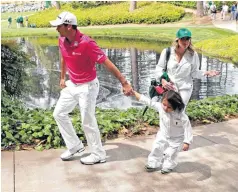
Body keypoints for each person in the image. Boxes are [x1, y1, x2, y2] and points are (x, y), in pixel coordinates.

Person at [50, 12, 133, 165]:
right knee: (59, 113)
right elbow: (63, 57)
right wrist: (62, 77)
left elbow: (107, 63)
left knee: (87, 121)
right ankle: (75, 146)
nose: (56, 29)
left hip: (87, 87)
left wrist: (124, 82)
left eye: (59, 26)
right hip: (73, 84)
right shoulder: (62, 39)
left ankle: (98, 154)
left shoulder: (87, 43)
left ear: (69, 26)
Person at [155, 28, 220, 107]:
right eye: (182, 39)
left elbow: (194, 73)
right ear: (177, 40)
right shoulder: (167, 52)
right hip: (169, 88)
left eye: (187, 39)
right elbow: (159, 68)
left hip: (185, 88)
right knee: (168, 111)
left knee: (179, 110)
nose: (185, 42)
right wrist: (163, 80)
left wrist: (207, 72)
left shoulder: (193, 55)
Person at [132, 90, 193, 174]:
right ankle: (153, 162)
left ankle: (168, 165)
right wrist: (133, 92)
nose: (165, 108)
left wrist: (187, 142)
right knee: (157, 147)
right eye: (164, 105)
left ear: (175, 106)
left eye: (169, 107)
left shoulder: (181, 116)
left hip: (177, 138)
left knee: (170, 153)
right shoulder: (160, 107)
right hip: (163, 134)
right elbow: (148, 102)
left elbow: (187, 128)